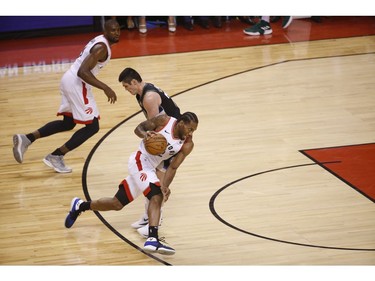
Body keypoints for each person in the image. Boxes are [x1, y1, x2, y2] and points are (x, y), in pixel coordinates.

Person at [64, 112, 199, 255]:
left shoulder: (188, 144)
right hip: (140, 160)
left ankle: (80, 206)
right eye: (190, 129)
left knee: (116, 203)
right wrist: (145, 135)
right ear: (181, 123)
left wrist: (166, 185)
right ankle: (153, 238)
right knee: (156, 195)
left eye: (194, 130)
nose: (191, 133)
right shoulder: (164, 120)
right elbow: (139, 128)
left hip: (149, 168)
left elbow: (172, 167)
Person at [12, 19, 121, 173]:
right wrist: (106, 87)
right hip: (77, 83)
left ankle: (27, 138)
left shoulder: (100, 41)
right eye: (113, 30)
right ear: (105, 31)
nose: (116, 33)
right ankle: (56, 156)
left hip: (69, 79)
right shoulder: (101, 48)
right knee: (92, 127)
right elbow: (82, 72)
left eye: (118, 30)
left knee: (68, 123)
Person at [118, 67, 183, 238]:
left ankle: (155, 223)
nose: (127, 90)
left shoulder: (149, 97)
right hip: (167, 136)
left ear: (134, 82)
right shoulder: (143, 93)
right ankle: (147, 217)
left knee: (158, 184)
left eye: (126, 86)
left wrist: (151, 145)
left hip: (171, 140)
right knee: (152, 180)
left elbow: (155, 126)